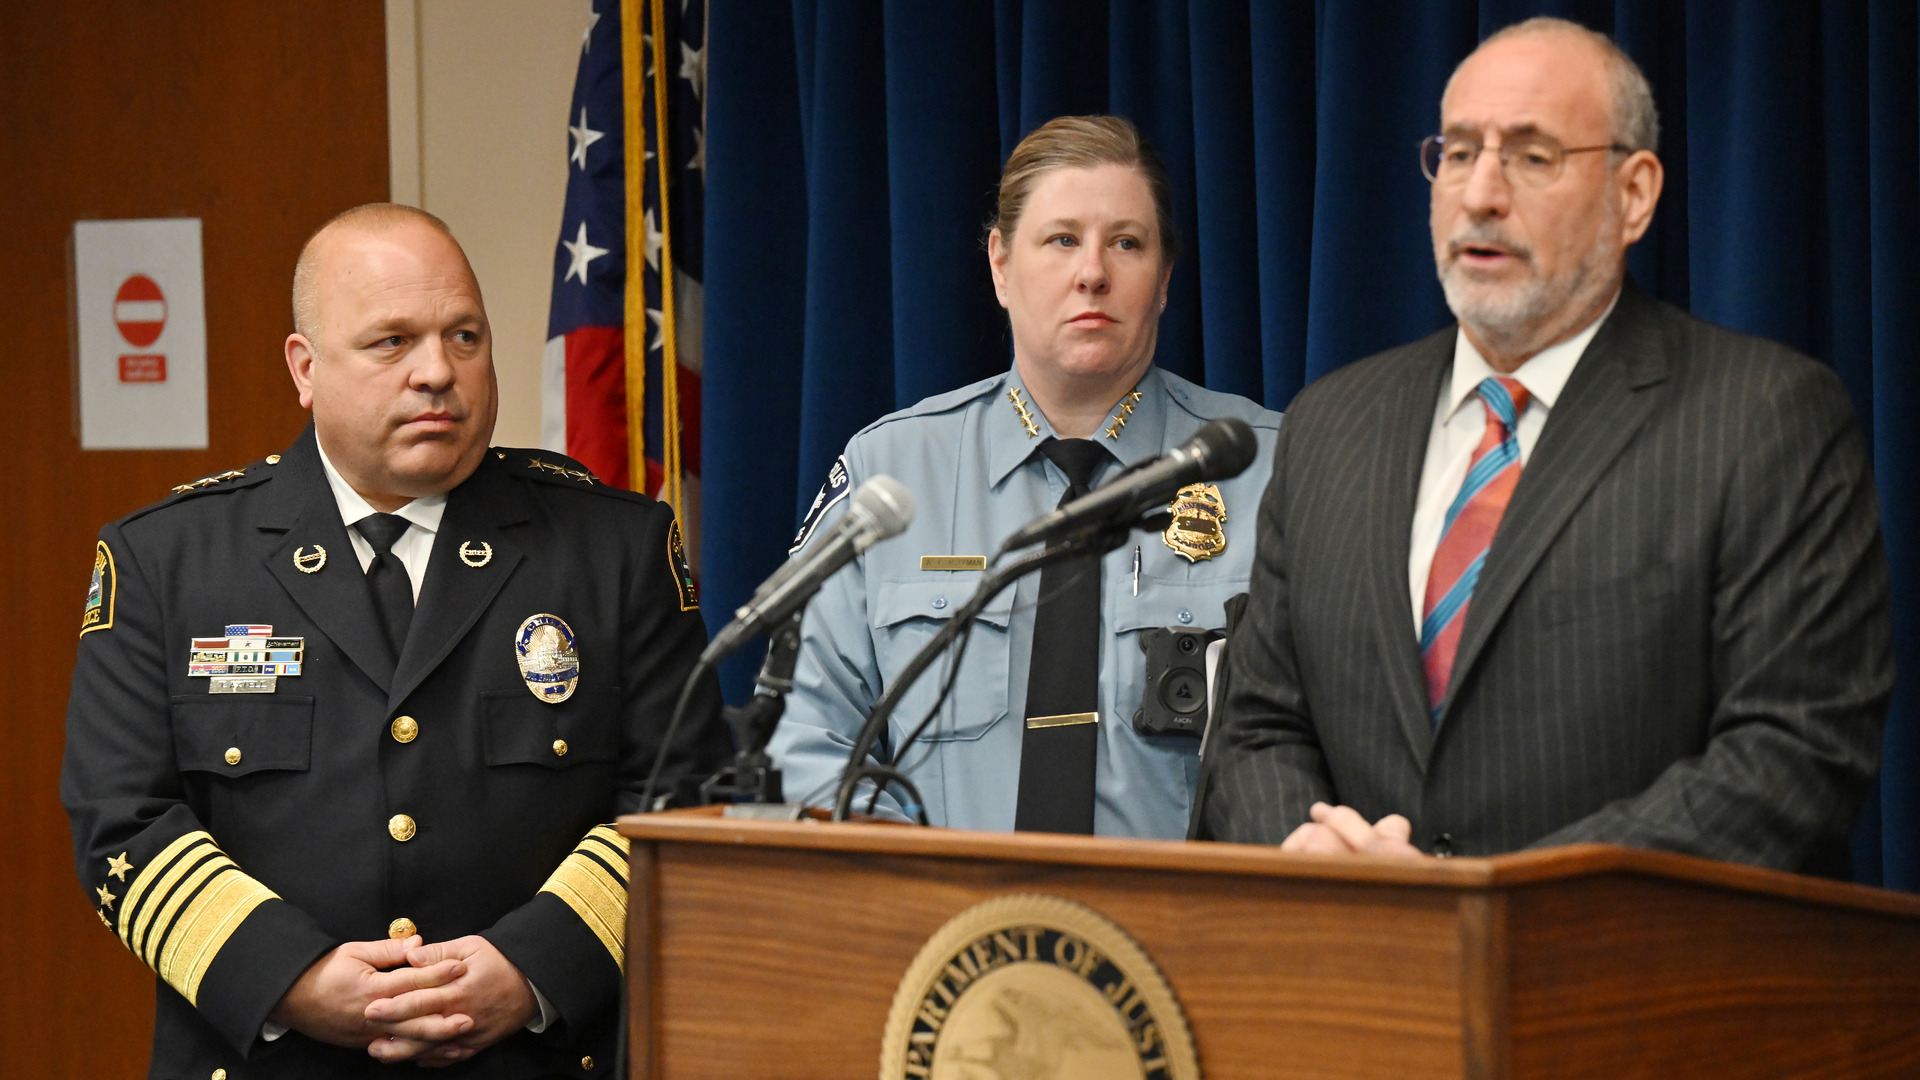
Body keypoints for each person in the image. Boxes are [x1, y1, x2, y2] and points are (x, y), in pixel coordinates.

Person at [1200, 17, 1892, 875]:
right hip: (1365, 978)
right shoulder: (1330, 424)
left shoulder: (1764, 417)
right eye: (1457, 153)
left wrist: (1488, 904)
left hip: (1628, 988)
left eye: (1532, 156)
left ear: (1634, 193)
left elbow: (1792, 757)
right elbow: (1257, 725)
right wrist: (1319, 860)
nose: (1481, 194)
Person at [60, 203, 728, 1075]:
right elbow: (121, 820)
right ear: (305, 369)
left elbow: (683, 798)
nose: (436, 373)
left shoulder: (615, 549)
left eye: (464, 337)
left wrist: (533, 968)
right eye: (391, 342)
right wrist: (289, 974)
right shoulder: (165, 560)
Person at [768, 116, 1282, 838]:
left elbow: (1335, 741)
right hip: (947, 933)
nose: (1093, 272)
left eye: (1127, 243)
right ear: (1001, 266)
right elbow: (803, 736)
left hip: (1195, 936)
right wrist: (921, 890)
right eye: (1062, 238)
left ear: (1164, 280)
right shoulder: (888, 474)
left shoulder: (1272, 471)